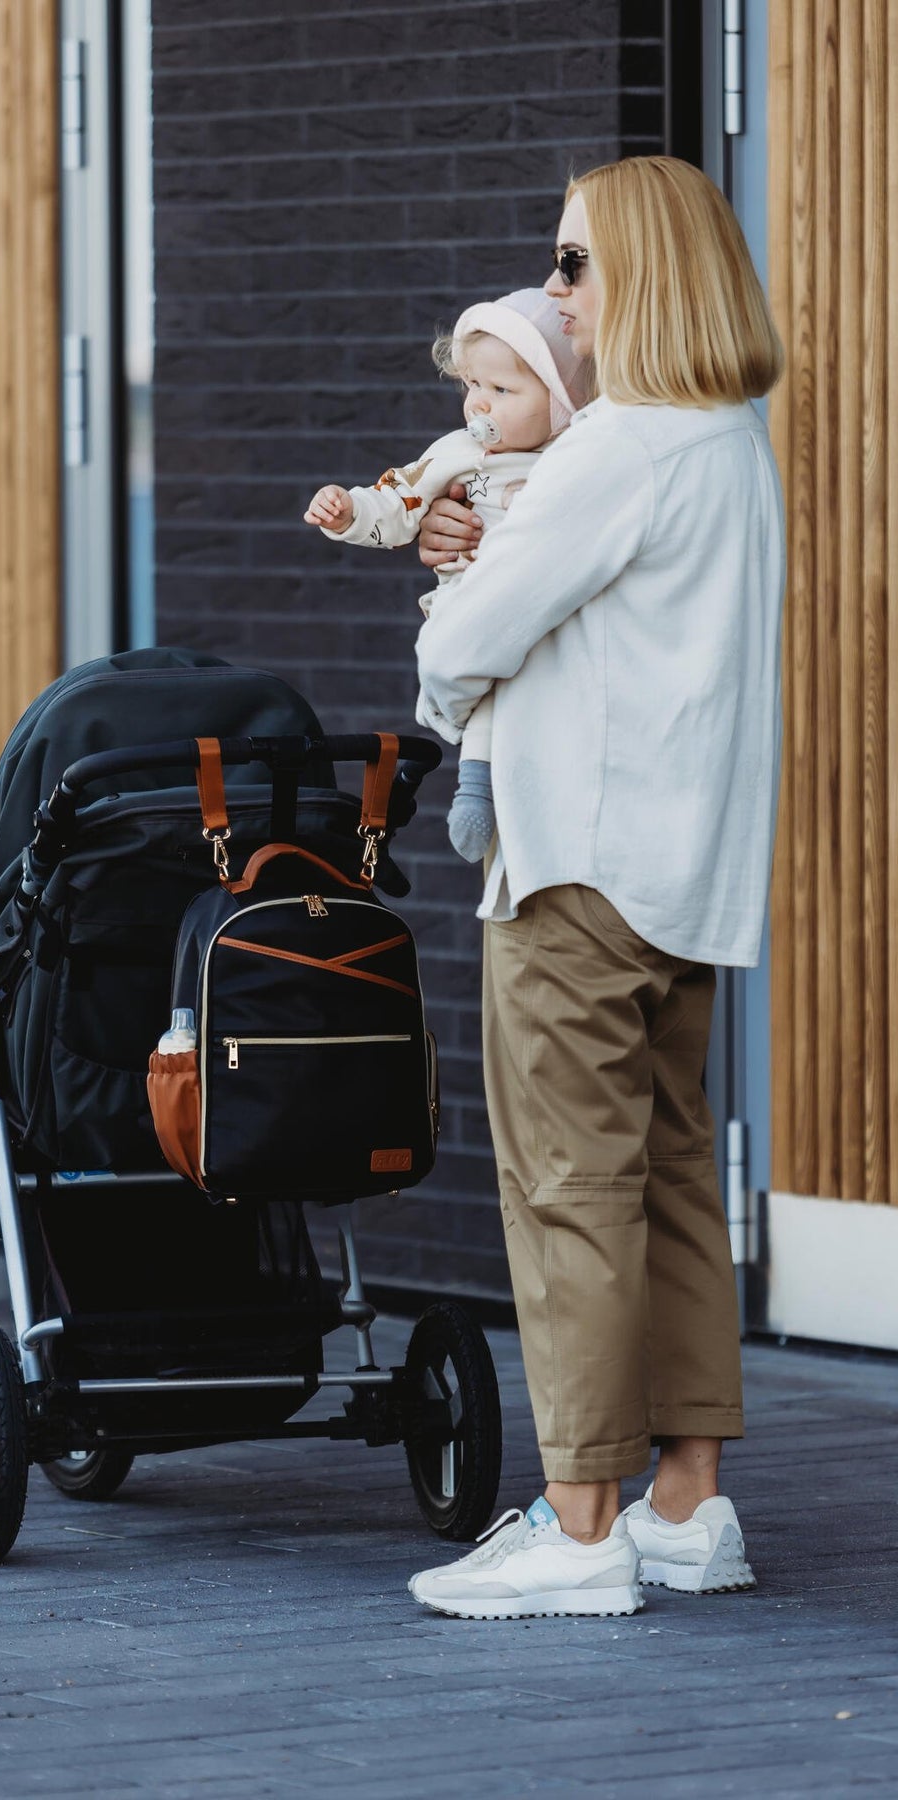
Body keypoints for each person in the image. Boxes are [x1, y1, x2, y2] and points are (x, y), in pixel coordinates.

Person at [406, 155, 786, 1621]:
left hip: (573, 870)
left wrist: (456, 591)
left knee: (568, 1189)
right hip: (686, 874)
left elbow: (463, 645)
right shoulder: (730, 441)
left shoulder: (619, 447)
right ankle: (686, 1507)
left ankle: (577, 1532)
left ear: (640, 270)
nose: (555, 288)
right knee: (676, 1182)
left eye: (573, 262)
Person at [303, 290, 589, 861]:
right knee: (490, 690)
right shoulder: (457, 453)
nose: (479, 406)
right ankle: (474, 789)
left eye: (502, 390)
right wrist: (350, 512)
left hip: (550, 621)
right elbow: (400, 497)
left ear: (563, 397)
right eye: (472, 386)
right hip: (472, 606)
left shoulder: (579, 459)